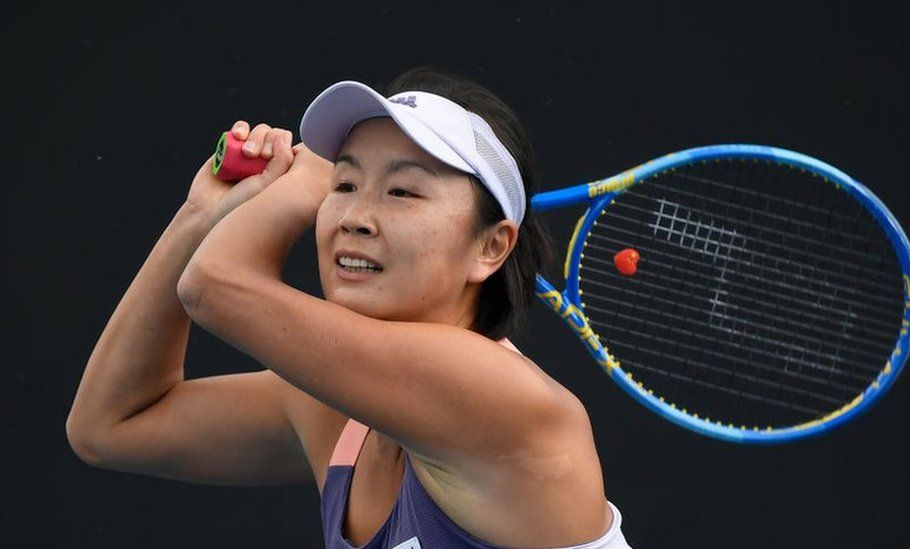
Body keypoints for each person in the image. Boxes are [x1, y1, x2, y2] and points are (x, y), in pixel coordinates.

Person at [67, 66, 632, 548]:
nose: (354, 217)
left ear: (490, 247)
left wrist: (303, 178)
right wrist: (199, 215)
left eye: (402, 191)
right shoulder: (333, 410)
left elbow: (213, 286)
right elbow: (111, 426)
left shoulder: (500, 397)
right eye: (344, 185)